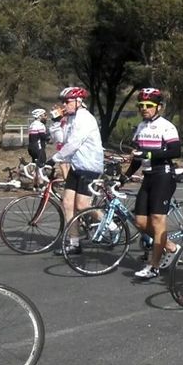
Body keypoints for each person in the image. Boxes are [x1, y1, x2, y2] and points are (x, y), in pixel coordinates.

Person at [121, 88, 183, 280]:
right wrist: (124, 177)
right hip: (148, 176)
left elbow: (175, 151)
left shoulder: (166, 126)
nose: (144, 108)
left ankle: (153, 266)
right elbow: (137, 158)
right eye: (141, 105)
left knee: (157, 220)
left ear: (159, 107)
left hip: (163, 175)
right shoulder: (141, 127)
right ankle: (171, 247)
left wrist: (148, 153)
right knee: (140, 221)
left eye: (149, 105)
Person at [51, 87, 104, 253]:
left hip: (89, 166)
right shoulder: (70, 118)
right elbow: (61, 140)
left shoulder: (85, 118)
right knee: (67, 203)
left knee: (82, 205)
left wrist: (54, 159)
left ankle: (109, 224)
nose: (64, 105)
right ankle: (74, 243)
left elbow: (74, 143)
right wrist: (56, 122)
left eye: (67, 101)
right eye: (63, 102)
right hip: (76, 165)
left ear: (78, 101)